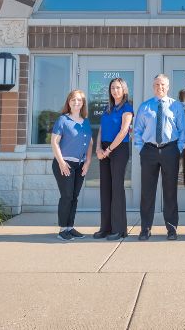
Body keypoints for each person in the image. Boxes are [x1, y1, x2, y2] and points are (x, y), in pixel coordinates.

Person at [133, 74, 185, 241]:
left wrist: (177, 150)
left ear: (168, 86)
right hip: (149, 151)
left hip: (170, 150)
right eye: (157, 84)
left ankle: (171, 229)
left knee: (170, 191)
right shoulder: (145, 107)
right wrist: (141, 149)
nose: (160, 87)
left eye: (163, 84)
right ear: (153, 86)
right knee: (147, 192)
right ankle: (145, 229)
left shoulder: (176, 106)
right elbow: (137, 131)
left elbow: (182, 131)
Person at [50, 89, 93, 241]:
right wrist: (61, 162)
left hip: (80, 165)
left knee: (74, 197)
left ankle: (70, 227)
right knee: (67, 196)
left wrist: (88, 162)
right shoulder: (63, 120)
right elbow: (54, 142)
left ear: (83, 104)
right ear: (69, 102)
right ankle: (62, 229)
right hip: (65, 163)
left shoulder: (86, 121)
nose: (76, 102)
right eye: (73, 99)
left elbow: (90, 143)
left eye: (79, 100)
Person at [94, 78, 133, 240]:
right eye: (112, 88)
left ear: (124, 90)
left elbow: (124, 131)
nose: (115, 90)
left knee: (117, 188)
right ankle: (106, 227)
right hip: (104, 148)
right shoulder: (107, 108)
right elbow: (102, 129)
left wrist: (109, 150)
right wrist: (98, 148)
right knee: (105, 188)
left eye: (118, 88)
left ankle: (119, 229)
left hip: (119, 149)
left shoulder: (127, 108)